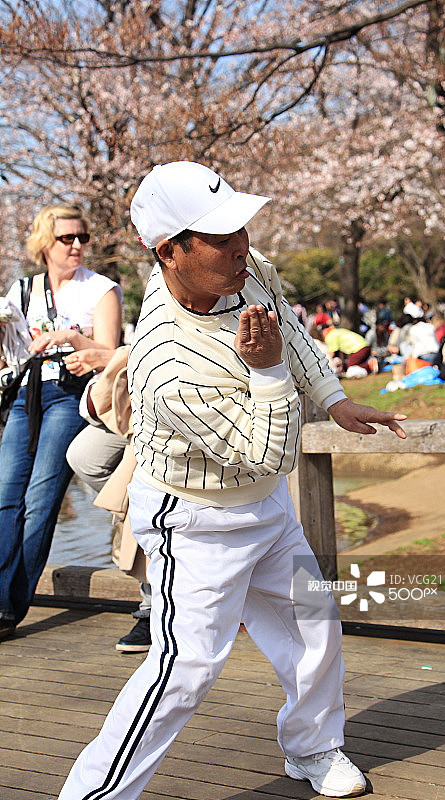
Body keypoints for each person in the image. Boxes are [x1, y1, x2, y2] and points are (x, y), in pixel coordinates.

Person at [58, 161, 406, 800]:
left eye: (241, 228)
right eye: (221, 237)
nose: (242, 245)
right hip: (194, 520)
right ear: (170, 251)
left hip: (265, 507)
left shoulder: (246, 271)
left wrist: (331, 398)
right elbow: (267, 454)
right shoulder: (166, 364)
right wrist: (268, 373)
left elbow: (290, 333)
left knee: (315, 621)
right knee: (184, 670)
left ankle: (313, 747)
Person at [0, 205, 122, 640]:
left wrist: (72, 337)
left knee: (41, 499)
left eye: (82, 237)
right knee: (5, 497)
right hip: (25, 395)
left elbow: (111, 353)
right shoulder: (21, 290)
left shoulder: (101, 289)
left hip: (69, 396)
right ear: (44, 243)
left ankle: (9, 608)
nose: (76, 246)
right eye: (66, 238)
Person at [65, 345, 152, 652]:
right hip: (144, 389)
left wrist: (106, 355)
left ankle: (154, 607)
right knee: (86, 457)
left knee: (142, 480)